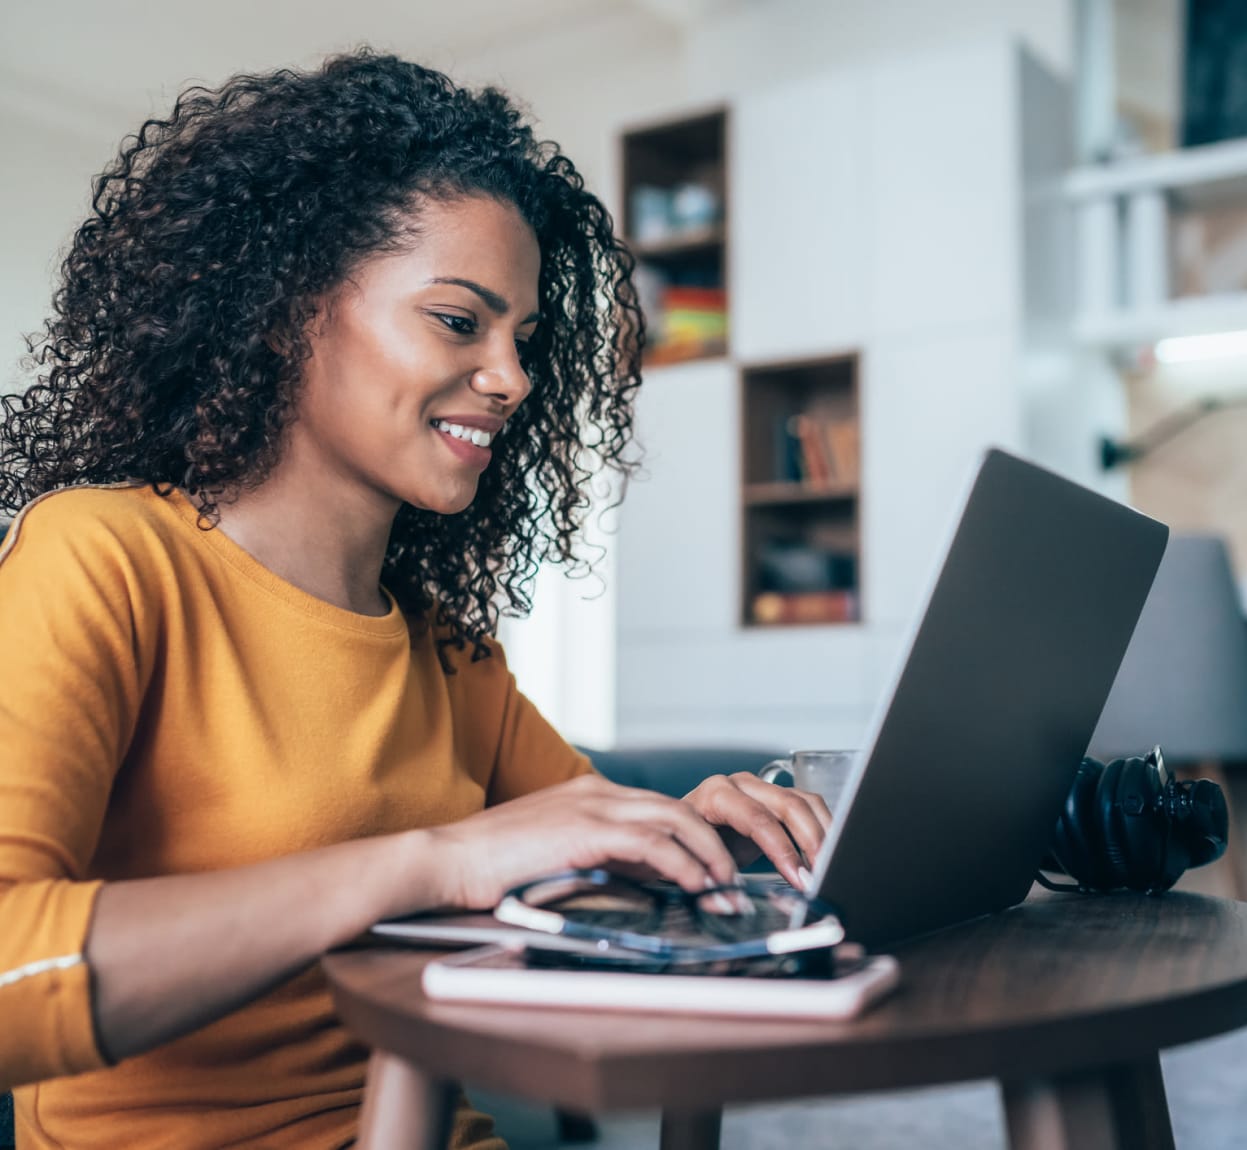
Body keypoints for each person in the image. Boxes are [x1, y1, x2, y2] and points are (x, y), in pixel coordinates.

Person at [0, 50, 831, 1150]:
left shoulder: (443, 645)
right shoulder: (103, 558)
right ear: (286, 307)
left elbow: (587, 859)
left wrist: (696, 831)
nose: (514, 378)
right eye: (458, 321)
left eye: (525, 340)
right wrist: (429, 862)